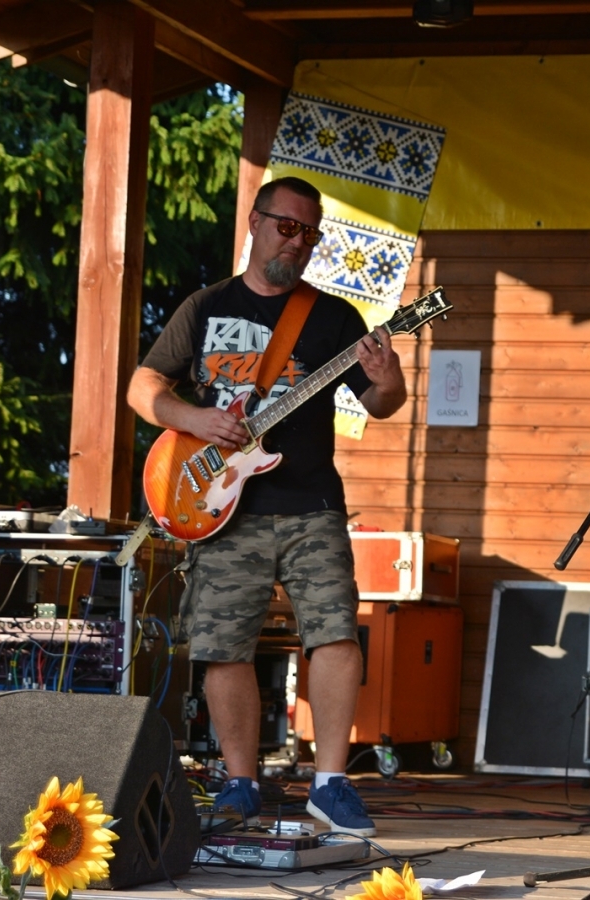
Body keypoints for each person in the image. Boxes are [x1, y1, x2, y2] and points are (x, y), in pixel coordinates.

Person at [128, 176, 407, 835]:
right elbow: (144, 387)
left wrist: (389, 379)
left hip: (311, 501)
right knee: (224, 644)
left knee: (335, 632)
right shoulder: (206, 305)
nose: (297, 242)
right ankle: (240, 782)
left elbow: (381, 404)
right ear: (255, 223)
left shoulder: (334, 318)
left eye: (310, 233)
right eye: (287, 227)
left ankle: (331, 784)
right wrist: (194, 418)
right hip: (221, 503)